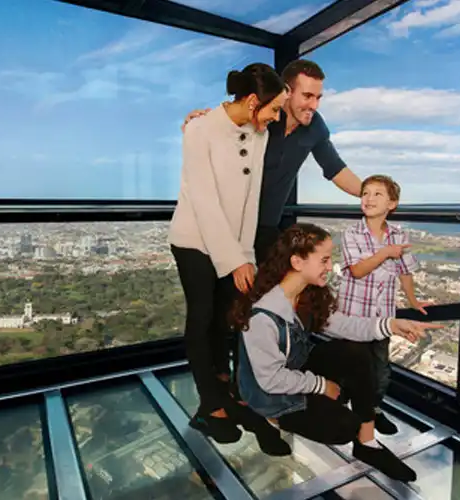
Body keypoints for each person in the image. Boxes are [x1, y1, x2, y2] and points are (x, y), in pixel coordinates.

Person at [229, 223, 443, 482]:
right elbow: (270, 380)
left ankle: (367, 444)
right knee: (343, 428)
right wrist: (322, 385)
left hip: (293, 370)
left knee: (356, 352)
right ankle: (269, 418)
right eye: (325, 260)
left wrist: (392, 325)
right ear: (297, 262)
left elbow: (345, 326)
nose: (330, 267)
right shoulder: (263, 316)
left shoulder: (307, 295)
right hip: (269, 393)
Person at [168, 63, 288, 448]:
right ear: (253, 102)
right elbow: (203, 200)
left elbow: (249, 201)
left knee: (227, 320)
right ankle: (210, 407)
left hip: (233, 244)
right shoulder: (199, 129)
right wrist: (231, 259)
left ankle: (227, 394)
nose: (275, 117)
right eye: (273, 109)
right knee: (202, 320)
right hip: (194, 239)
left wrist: (245, 253)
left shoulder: (259, 133)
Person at [182, 59, 363, 264]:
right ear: (287, 91)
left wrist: (374, 194)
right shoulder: (261, 118)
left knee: (269, 290)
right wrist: (200, 120)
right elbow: (227, 122)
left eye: (318, 97)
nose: (314, 105)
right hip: (231, 225)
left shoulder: (315, 127)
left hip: (267, 227)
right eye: (307, 96)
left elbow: (335, 168)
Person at [337, 175, 434, 435]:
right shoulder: (351, 234)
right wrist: (384, 253)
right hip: (354, 317)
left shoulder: (399, 235)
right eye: (365, 193)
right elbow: (357, 271)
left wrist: (413, 301)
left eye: (377, 194)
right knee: (353, 365)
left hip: (383, 317)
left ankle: (373, 409)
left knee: (380, 368)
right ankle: (350, 408)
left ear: (392, 204)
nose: (368, 199)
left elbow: (405, 271)